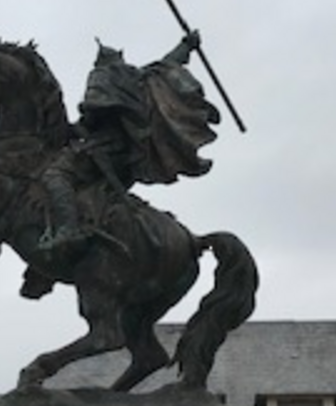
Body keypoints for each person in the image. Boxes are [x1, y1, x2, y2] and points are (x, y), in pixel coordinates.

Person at [38, 30, 220, 254]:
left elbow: (93, 116)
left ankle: (69, 229)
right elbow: (167, 64)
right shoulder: (139, 79)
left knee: (54, 175)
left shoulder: (104, 76)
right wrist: (186, 45)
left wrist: (70, 128)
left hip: (103, 152)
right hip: (129, 159)